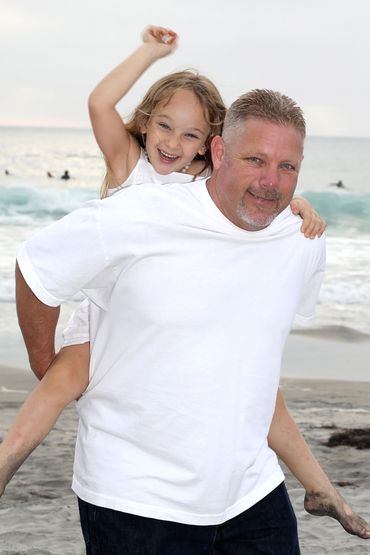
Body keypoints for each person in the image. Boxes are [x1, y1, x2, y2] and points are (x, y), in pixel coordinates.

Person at [13, 86, 370, 553]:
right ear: (219, 152)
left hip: (252, 494)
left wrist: (318, 483)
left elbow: (257, 371)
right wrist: (46, 363)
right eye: (255, 160)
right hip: (136, 499)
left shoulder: (301, 241)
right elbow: (37, 270)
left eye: (287, 167)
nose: (271, 182)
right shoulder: (138, 215)